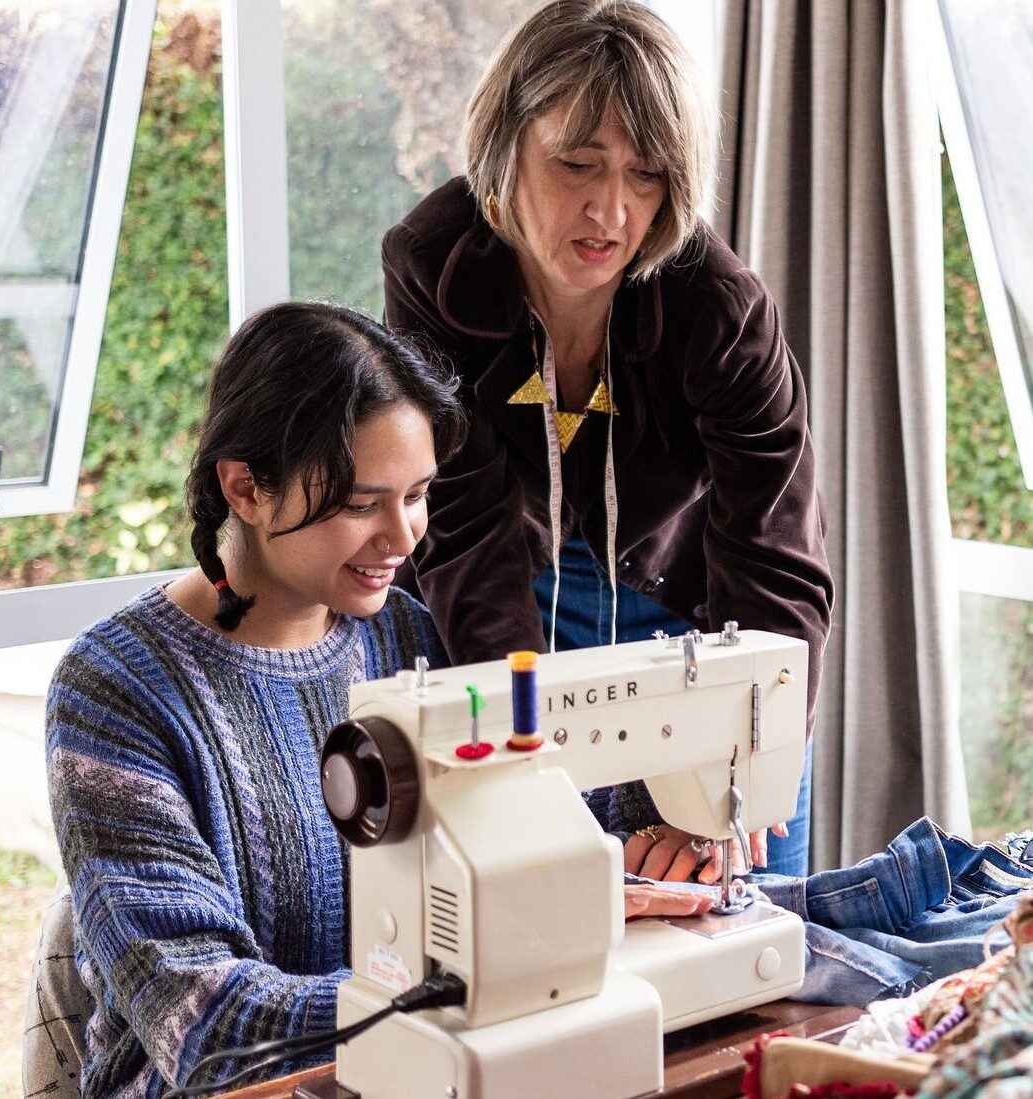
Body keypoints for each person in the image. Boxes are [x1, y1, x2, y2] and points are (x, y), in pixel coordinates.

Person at [36, 302, 711, 1098]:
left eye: (418, 494)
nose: (404, 537)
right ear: (245, 487)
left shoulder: (412, 641)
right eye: (363, 504)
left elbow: (561, 801)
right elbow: (207, 1023)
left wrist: (675, 804)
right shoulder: (113, 693)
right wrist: (482, 976)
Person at [382, 0, 833, 880]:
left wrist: (741, 767)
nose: (610, 211)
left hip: (702, 611)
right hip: (515, 589)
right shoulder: (432, 266)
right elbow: (462, 519)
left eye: (646, 175)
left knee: (751, 900)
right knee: (544, 892)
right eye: (576, 163)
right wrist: (518, 744)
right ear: (506, 144)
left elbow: (776, 548)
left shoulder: (719, 305)